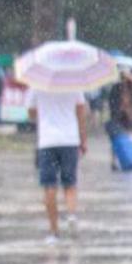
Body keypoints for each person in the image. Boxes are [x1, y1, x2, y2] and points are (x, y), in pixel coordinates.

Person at [28, 87, 88, 243]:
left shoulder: (37, 83)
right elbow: (80, 111)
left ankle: (54, 231)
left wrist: (44, 113)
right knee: (70, 183)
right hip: (69, 139)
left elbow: (31, 113)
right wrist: (83, 138)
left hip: (47, 141)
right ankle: (71, 214)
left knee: (49, 185)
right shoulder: (74, 82)